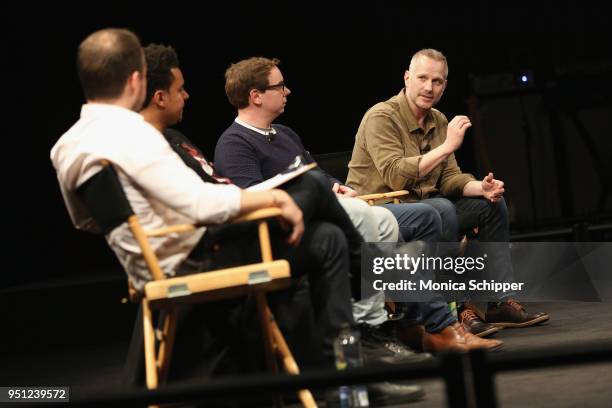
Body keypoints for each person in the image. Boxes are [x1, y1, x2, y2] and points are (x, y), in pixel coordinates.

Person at [50, 29, 357, 383]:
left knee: (331, 232)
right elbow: (199, 204)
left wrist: (145, 228)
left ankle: (342, 364)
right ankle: (358, 338)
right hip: (193, 259)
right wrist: (274, 198)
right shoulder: (136, 135)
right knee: (318, 204)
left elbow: (86, 221)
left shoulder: (66, 146)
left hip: (154, 262)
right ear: (136, 80)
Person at [139, 43, 428, 405]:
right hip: (221, 242)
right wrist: (277, 197)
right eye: (180, 88)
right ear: (159, 96)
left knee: (326, 234)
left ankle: (349, 370)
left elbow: (216, 190)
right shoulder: (159, 146)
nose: (187, 95)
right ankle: (368, 272)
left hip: (236, 230)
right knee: (310, 187)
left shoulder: (176, 140)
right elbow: (214, 200)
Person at [214, 56, 502, 352]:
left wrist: (337, 187)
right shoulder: (235, 144)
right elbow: (250, 197)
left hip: (338, 210)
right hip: (300, 230)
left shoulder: (285, 134)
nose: (287, 92)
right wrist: (318, 197)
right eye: (280, 86)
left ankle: (414, 322)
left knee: (427, 216)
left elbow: (315, 174)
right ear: (256, 96)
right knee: (408, 220)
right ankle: (433, 324)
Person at [346, 48, 550, 329]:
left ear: (444, 86)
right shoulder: (382, 117)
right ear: (407, 78)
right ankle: (454, 309)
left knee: (490, 206)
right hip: (381, 210)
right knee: (441, 209)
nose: (429, 87)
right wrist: (446, 147)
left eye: (437, 81)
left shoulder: (438, 120)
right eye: (422, 78)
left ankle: (497, 301)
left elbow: (450, 178)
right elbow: (395, 176)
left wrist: (480, 187)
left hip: (428, 207)